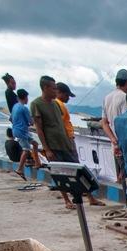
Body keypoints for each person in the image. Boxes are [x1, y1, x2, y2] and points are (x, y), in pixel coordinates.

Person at [31, 75, 80, 209]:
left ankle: (83, 197)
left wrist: (69, 141)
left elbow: (61, 124)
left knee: (76, 170)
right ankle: (67, 200)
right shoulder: (36, 104)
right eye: (53, 88)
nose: (55, 91)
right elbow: (39, 129)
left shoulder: (56, 104)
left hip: (65, 143)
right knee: (60, 174)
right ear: (45, 88)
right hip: (53, 145)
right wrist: (46, 149)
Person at [54, 82, 105, 206]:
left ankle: (73, 200)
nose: (68, 98)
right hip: (65, 142)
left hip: (64, 141)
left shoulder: (57, 105)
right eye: (67, 95)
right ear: (60, 93)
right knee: (76, 171)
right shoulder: (58, 105)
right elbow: (59, 125)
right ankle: (85, 198)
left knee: (61, 172)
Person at [100, 68, 127, 188]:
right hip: (125, 146)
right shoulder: (125, 97)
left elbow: (104, 123)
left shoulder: (107, 98)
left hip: (115, 146)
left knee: (122, 178)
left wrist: (113, 140)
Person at [10, 88, 38, 180]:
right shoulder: (24, 108)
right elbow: (31, 122)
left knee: (35, 144)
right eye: (27, 98)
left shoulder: (15, 106)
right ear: (25, 98)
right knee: (26, 150)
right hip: (21, 132)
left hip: (18, 131)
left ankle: (37, 162)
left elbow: (10, 118)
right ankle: (19, 169)